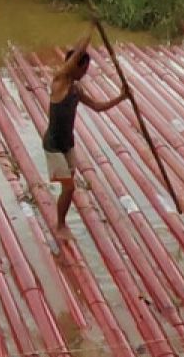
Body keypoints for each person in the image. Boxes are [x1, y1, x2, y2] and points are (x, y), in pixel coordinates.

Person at [43, 37, 128, 239]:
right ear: (75, 66)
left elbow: (98, 107)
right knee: (69, 187)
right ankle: (60, 225)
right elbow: (74, 59)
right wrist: (89, 32)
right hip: (53, 144)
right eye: (84, 68)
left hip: (67, 144)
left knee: (69, 186)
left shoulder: (76, 90)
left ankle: (61, 220)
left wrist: (121, 97)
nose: (85, 72)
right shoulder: (60, 82)